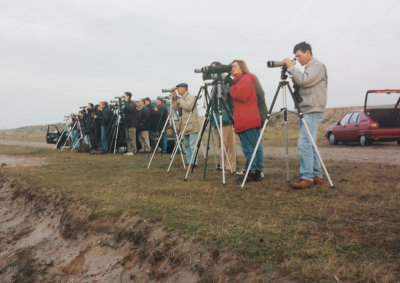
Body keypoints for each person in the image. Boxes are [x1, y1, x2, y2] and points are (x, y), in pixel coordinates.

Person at [283, 41, 328, 189]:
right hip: (308, 109)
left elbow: (305, 80)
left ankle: (307, 177)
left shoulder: (318, 66)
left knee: (304, 144)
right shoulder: (310, 68)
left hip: (312, 110)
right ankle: (316, 175)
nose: (298, 59)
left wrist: (291, 68)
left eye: (299, 56)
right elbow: (304, 83)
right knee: (310, 144)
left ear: (308, 52)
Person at [229, 60, 263, 182]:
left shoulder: (245, 79)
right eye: (231, 66)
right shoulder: (244, 79)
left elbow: (241, 95)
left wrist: (230, 87)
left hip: (246, 118)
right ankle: (257, 170)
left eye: (234, 66)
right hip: (249, 118)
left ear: (242, 68)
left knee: (249, 147)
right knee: (255, 146)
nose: (231, 68)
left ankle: (252, 171)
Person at [209, 61, 236, 172]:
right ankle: (222, 164)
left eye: (214, 69)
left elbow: (229, 97)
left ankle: (231, 166)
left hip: (225, 117)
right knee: (220, 144)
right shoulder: (215, 83)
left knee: (228, 144)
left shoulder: (226, 81)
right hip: (216, 117)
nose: (213, 72)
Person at [172, 83, 200, 166]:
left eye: (179, 88)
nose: (177, 90)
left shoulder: (190, 97)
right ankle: (189, 162)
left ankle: (194, 162)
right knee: (187, 145)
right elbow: (176, 108)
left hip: (191, 125)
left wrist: (180, 100)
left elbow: (188, 107)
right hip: (185, 125)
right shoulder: (182, 98)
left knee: (192, 146)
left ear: (184, 88)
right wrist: (174, 99)